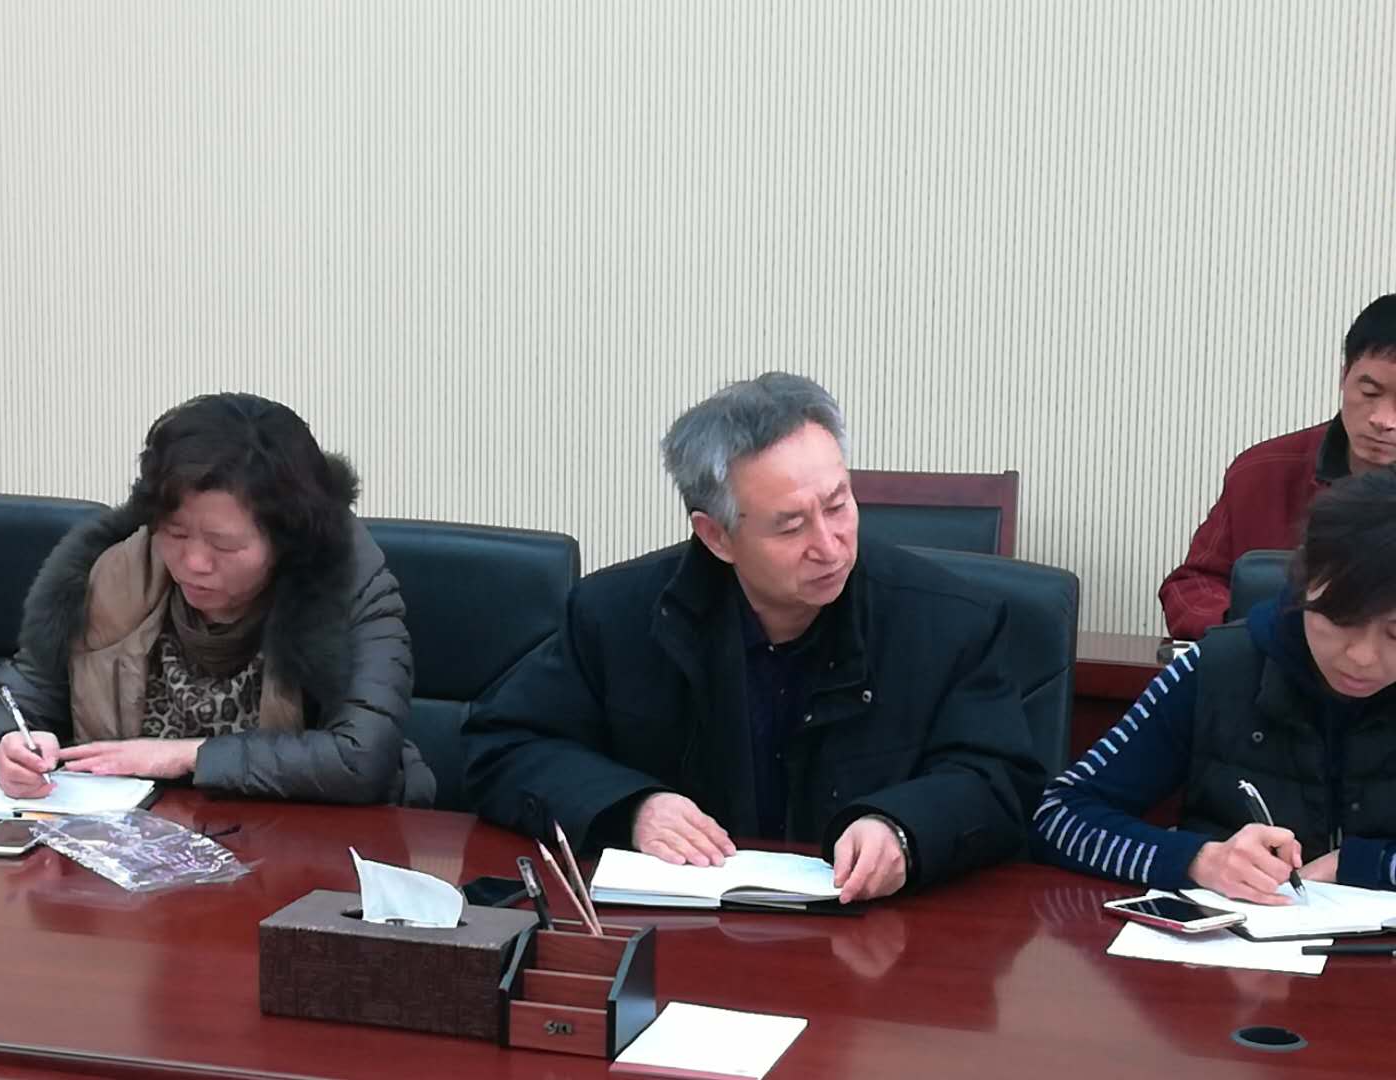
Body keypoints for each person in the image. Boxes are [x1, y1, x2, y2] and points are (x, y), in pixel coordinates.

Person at [464, 372, 1044, 903]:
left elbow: (1001, 781)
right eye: (790, 526)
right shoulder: (616, 615)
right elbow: (503, 747)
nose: (829, 545)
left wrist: (903, 829)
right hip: (686, 935)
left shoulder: (949, 620)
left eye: (839, 505)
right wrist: (631, 807)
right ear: (716, 536)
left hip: (877, 940)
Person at [0, 393, 435, 807]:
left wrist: (186, 755)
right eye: (176, 533)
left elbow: (360, 758)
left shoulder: (349, 583)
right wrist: (6, 743)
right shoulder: (110, 575)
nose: (193, 562)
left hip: (311, 848)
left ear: (287, 540)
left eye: (224, 545)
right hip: (137, 850)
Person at [1034, 466, 1396, 902]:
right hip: (1235, 938)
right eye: (1339, 619)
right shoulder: (1215, 670)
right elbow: (1059, 817)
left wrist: (1366, 863)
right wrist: (1197, 859)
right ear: (1303, 584)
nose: (1362, 656)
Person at [1159, 293, 1396, 640]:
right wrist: (1246, 631)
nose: (1384, 420)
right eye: (1370, 393)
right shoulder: (1263, 471)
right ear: (1344, 376)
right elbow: (1193, 584)